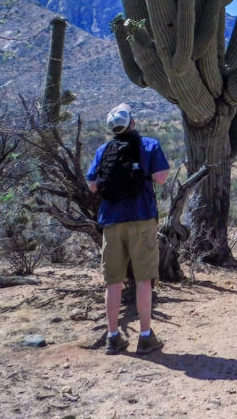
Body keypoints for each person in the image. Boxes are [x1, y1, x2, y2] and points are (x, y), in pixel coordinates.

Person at [86, 102, 170, 356]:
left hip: (111, 221)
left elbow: (91, 184)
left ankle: (114, 337)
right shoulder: (148, 145)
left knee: (113, 281)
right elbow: (162, 177)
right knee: (144, 278)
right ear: (132, 122)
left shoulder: (103, 150)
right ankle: (145, 337)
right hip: (142, 218)